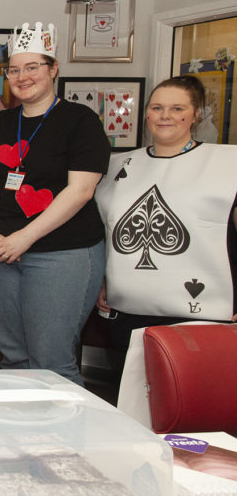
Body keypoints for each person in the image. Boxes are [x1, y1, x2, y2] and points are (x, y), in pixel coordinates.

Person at [0, 22, 109, 385]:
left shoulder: (81, 121)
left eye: (32, 67)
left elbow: (81, 191)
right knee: (13, 356)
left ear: (53, 69)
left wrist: (22, 239)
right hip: (2, 253)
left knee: (52, 360)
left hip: (63, 252)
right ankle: (19, 438)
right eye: (14, 69)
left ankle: (63, 442)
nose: (22, 76)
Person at [95, 75, 237, 352]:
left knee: (193, 392)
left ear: (196, 114)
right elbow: (105, 231)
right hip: (127, 310)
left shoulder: (227, 165)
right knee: (130, 391)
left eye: (177, 109)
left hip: (200, 311)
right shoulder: (116, 166)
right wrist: (100, 281)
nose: (165, 116)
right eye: (157, 108)